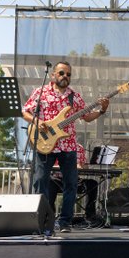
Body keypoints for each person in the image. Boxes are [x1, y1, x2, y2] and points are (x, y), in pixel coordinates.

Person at [22, 61, 109, 233]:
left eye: (68, 74)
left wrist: (102, 110)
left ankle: (65, 222)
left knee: (71, 184)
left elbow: (86, 116)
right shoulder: (40, 93)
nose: (65, 77)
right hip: (44, 144)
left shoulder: (74, 97)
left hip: (67, 146)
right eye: (61, 73)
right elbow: (25, 111)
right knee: (40, 182)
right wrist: (37, 121)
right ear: (53, 75)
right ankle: (43, 220)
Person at [48, 143, 99, 224]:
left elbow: (83, 165)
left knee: (93, 183)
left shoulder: (79, 147)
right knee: (50, 184)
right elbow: (51, 166)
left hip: (75, 179)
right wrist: (68, 166)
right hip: (58, 180)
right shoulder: (55, 146)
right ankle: (50, 215)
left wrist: (84, 166)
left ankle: (90, 215)